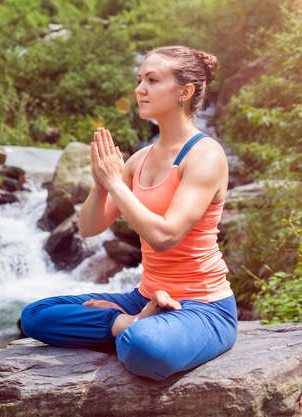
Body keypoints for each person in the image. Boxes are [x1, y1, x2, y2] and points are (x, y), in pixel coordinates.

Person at [20, 45, 238, 381]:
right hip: (144, 298)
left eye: (152, 80)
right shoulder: (140, 159)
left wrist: (116, 183)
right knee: (35, 315)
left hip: (203, 307)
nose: (140, 89)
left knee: (143, 347)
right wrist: (101, 183)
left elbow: (165, 236)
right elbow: (90, 227)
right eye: (139, 80)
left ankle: (137, 328)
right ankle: (129, 322)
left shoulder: (205, 155)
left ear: (185, 91)